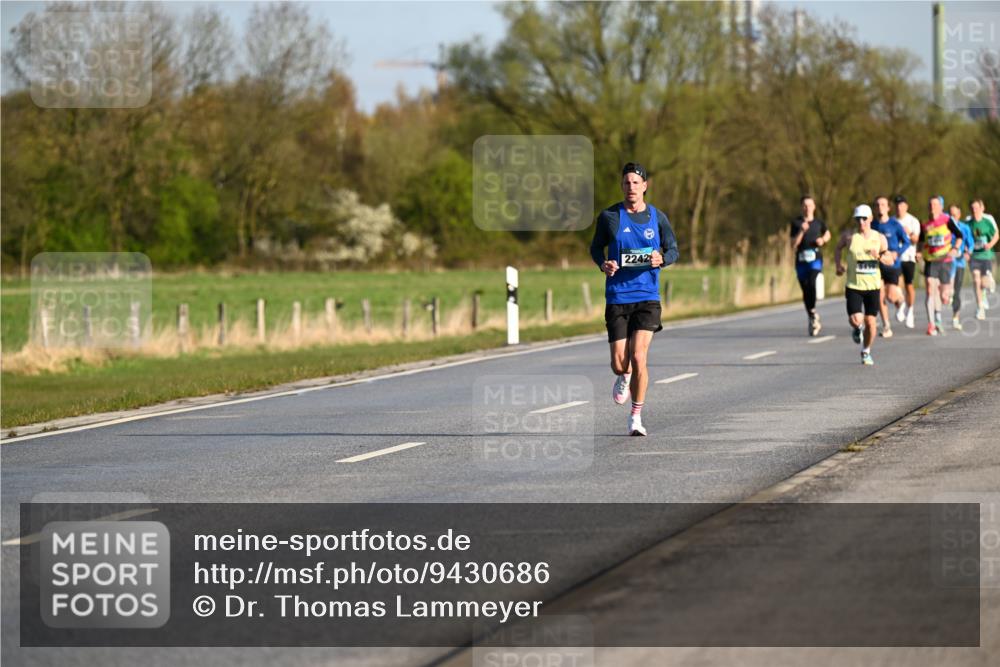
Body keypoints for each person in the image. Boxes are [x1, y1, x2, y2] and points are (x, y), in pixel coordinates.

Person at [590, 162, 680, 436]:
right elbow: (595, 247)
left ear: (645, 186)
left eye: (636, 183)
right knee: (620, 363)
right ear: (622, 186)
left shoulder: (657, 217)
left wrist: (662, 258)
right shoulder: (610, 217)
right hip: (618, 296)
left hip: (647, 297)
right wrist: (603, 264)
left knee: (639, 356)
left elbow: (674, 249)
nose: (631, 187)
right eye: (626, 183)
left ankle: (636, 417)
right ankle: (624, 375)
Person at [835, 204, 889, 366]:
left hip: (873, 288)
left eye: (864, 218)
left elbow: (890, 259)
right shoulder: (849, 236)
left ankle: (866, 351)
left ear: (871, 219)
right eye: (858, 219)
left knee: (871, 323)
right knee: (856, 319)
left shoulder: (879, 238)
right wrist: (838, 265)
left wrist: (878, 256)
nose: (861, 222)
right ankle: (857, 329)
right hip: (854, 286)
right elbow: (837, 249)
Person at [919, 196, 962, 336]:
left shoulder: (947, 220)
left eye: (936, 205)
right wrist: (919, 252)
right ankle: (932, 323)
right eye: (930, 205)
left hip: (945, 261)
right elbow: (920, 241)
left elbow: (959, 235)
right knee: (930, 290)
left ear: (941, 207)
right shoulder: (924, 223)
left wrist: (955, 248)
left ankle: (938, 316)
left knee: (943, 295)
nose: (933, 207)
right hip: (931, 261)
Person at [790, 195, 831, 336]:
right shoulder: (796, 223)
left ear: (814, 207)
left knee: (812, 283)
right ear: (802, 207)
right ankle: (812, 316)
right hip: (801, 260)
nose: (807, 208)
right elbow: (793, 244)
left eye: (810, 205)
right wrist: (802, 231)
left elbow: (828, 233)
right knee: (805, 289)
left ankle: (812, 313)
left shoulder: (819, 223)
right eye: (805, 205)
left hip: (815, 259)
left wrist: (823, 240)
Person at [870, 195, 910, 338]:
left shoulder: (894, 224)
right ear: (875, 208)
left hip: (892, 265)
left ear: (888, 208)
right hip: (876, 265)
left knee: (891, 295)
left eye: (883, 204)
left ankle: (901, 302)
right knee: (879, 295)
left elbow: (906, 242)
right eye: (877, 205)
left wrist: (897, 253)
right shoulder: (873, 225)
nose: (880, 207)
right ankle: (886, 326)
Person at [891, 195, 922, 328]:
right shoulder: (891, 221)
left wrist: (908, 233)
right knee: (895, 285)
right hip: (895, 258)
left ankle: (910, 311)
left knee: (909, 286)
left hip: (909, 257)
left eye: (901, 205)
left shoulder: (912, 220)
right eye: (897, 205)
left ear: (906, 206)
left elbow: (916, 240)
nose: (899, 207)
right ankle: (900, 305)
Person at [967, 198, 999, 320]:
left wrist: (990, 245)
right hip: (974, 255)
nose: (974, 210)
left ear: (982, 208)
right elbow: (965, 236)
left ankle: (989, 282)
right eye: (972, 208)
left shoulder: (987, 221)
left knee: (984, 283)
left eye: (977, 208)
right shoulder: (969, 223)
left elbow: (996, 234)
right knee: (976, 279)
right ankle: (980, 308)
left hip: (986, 255)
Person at [948, 203, 973, 330]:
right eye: (950, 214)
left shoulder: (964, 228)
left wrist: (968, 252)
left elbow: (971, 244)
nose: (952, 217)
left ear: (959, 214)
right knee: (946, 290)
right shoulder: (945, 227)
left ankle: (955, 317)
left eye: (955, 214)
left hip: (959, 263)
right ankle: (936, 320)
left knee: (956, 292)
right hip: (945, 262)